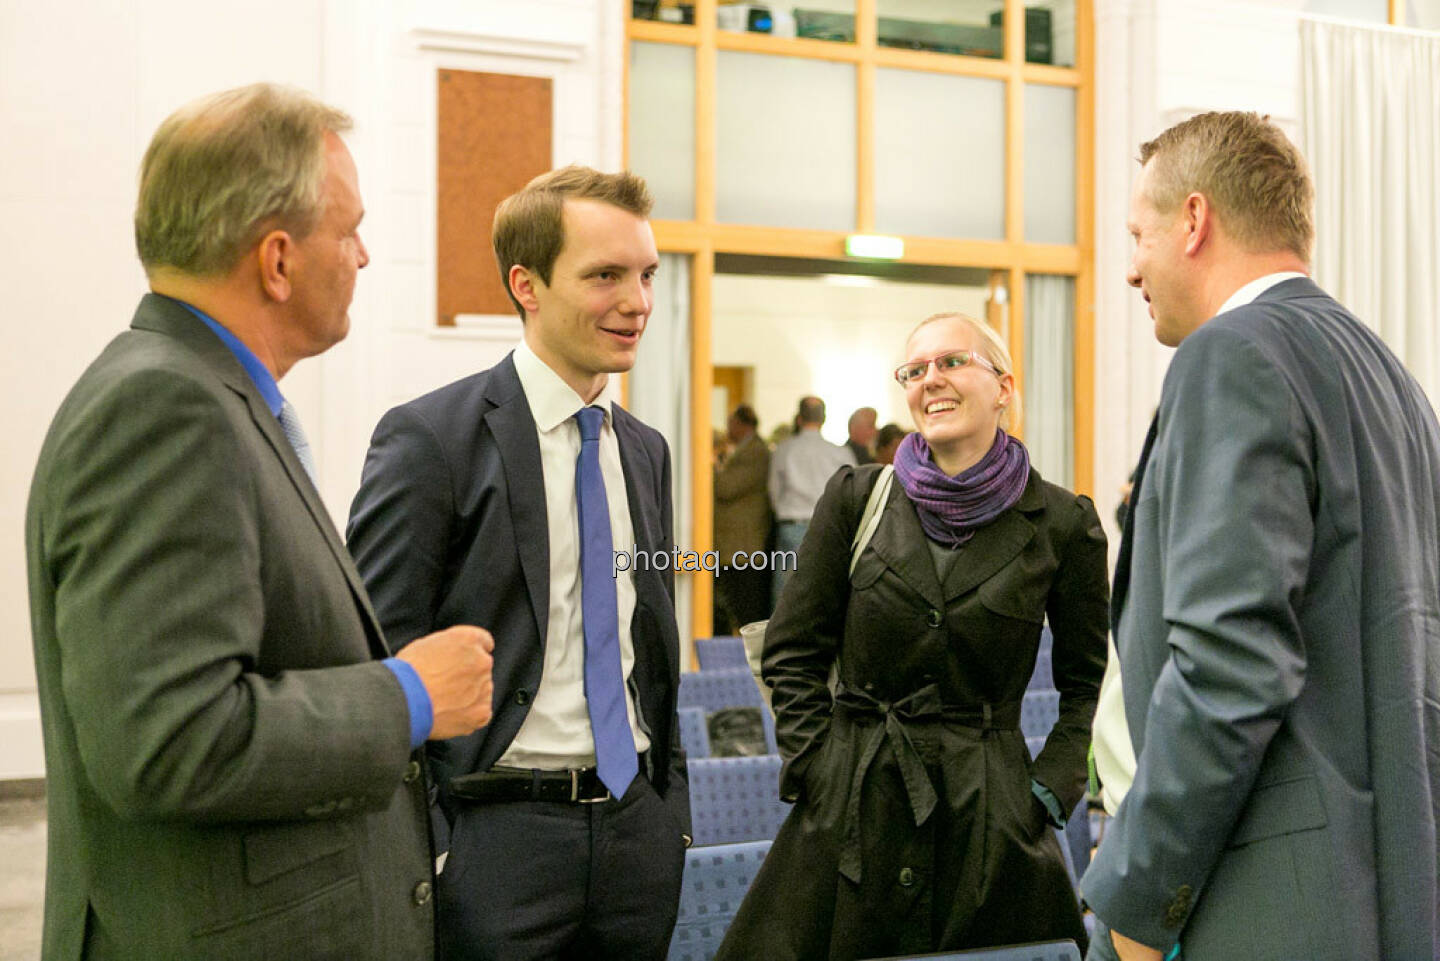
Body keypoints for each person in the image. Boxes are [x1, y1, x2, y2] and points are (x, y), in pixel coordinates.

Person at [24, 83, 496, 961]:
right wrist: (409, 695)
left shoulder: (206, 395)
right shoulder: (167, 409)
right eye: (349, 229)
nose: (363, 254)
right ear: (277, 260)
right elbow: (170, 740)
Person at [1083, 111, 1440, 961]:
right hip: (1384, 884)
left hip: (1267, 906)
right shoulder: (1392, 379)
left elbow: (1230, 665)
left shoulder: (1230, 356)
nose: (1130, 269)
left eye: (1138, 235)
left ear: (1195, 220)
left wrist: (1136, 903)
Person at [346, 165, 690, 961]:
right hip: (494, 838)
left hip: (636, 833)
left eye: (646, 274)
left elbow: (652, 647)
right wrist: (433, 845)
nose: (637, 301)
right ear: (526, 284)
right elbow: (373, 660)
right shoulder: (431, 440)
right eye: (605, 275)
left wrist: (668, 815)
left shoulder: (645, 450)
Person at [717, 312, 1109, 960]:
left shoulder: (1062, 523)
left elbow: (1085, 679)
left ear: (1004, 386)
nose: (932, 379)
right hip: (852, 804)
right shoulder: (855, 497)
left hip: (990, 815)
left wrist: (1047, 788)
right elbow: (791, 650)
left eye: (953, 361)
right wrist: (821, 766)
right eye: (915, 369)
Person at [768, 396, 856, 604]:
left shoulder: (784, 450)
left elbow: (773, 491)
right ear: (824, 419)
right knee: (826, 592)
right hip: (829, 527)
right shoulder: (840, 453)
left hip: (792, 525)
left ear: (798, 418)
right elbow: (850, 493)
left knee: (786, 594)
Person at [714, 403, 773, 633]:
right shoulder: (741, 450)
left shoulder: (756, 452)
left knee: (745, 609)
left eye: (731, 424)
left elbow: (727, 487)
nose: (728, 429)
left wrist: (706, 470)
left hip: (745, 545)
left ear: (742, 425)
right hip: (733, 544)